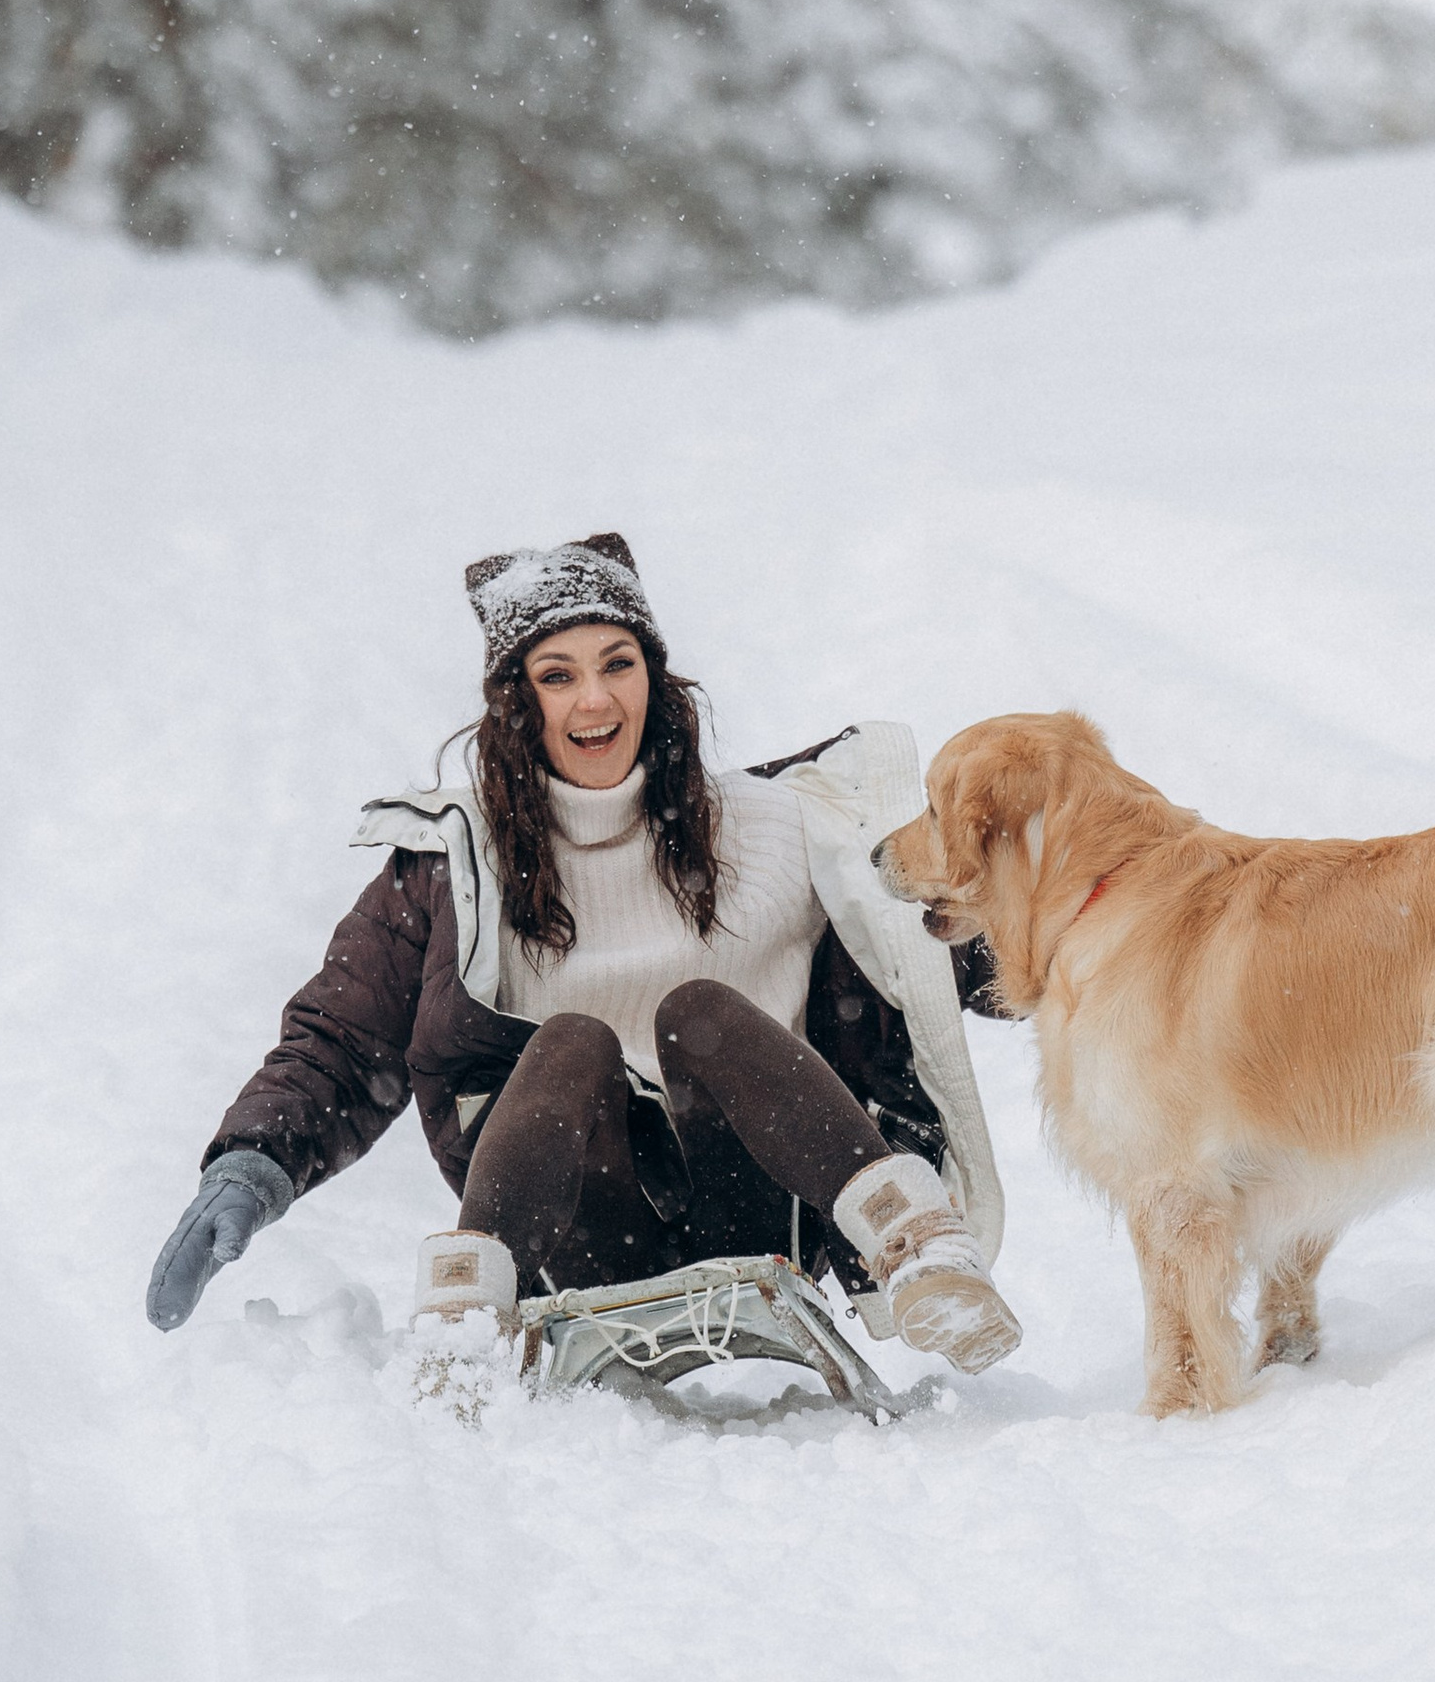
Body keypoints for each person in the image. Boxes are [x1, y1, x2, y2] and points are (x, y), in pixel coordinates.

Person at [145, 533, 1021, 1376]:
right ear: (516, 703)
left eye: (617, 664)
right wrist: (252, 1164)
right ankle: (465, 1319)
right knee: (569, 1039)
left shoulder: (782, 825)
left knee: (699, 1010)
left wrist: (1097, 916)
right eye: (556, 675)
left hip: (762, 1206)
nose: (593, 701)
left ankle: (918, 1250)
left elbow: (933, 949)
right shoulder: (458, 866)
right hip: (572, 1228)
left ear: (655, 679)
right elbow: (342, 1038)